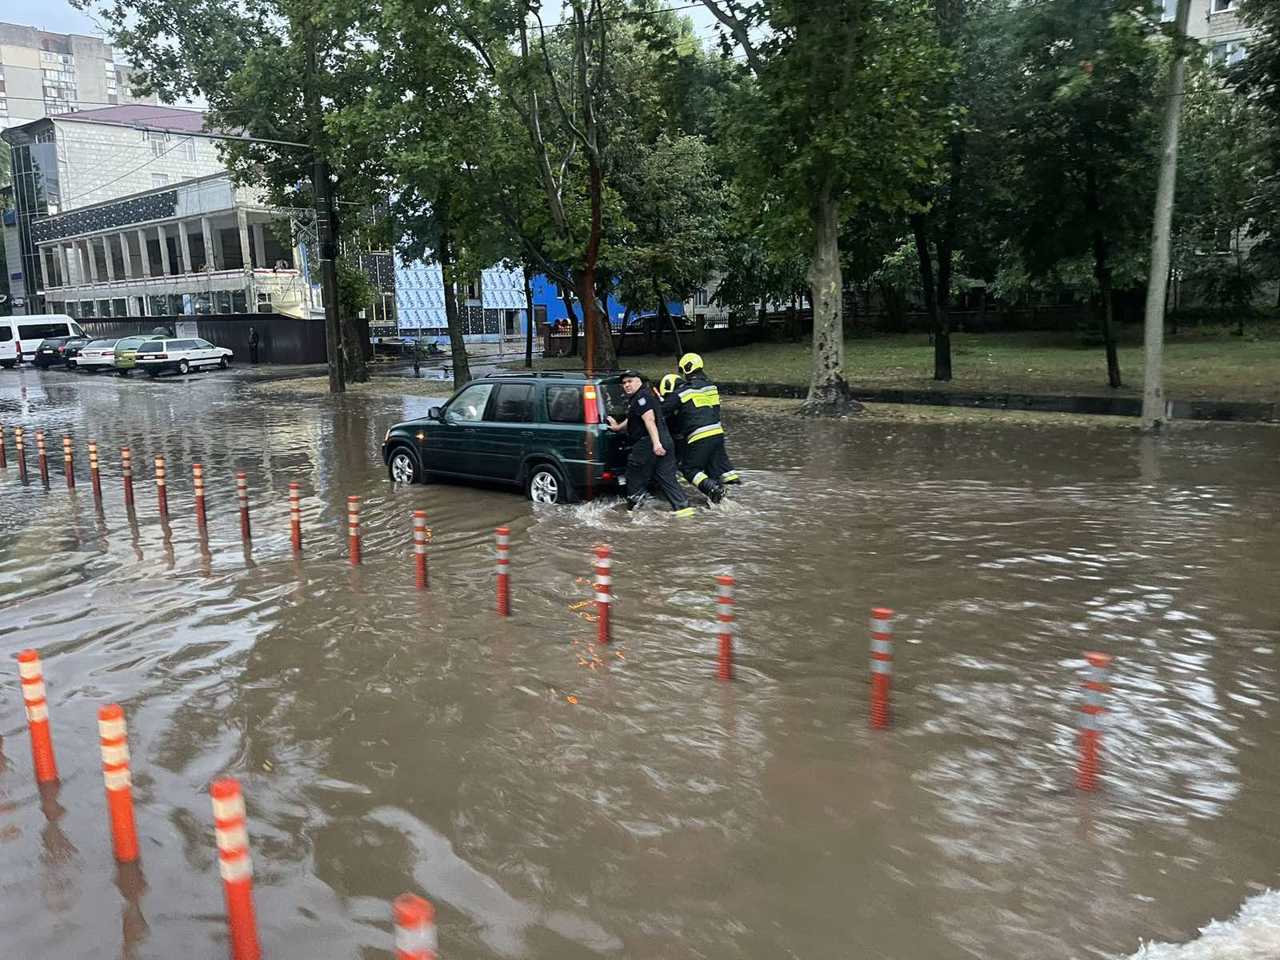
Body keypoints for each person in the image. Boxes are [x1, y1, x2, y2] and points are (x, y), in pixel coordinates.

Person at [606, 370, 694, 517]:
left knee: (633, 476)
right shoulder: (645, 396)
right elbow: (635, 418)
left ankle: (633, 514)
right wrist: (617, 427)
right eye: (624, 383)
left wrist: (656, 444)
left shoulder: (641, 398)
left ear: (639, 381)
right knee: (666, 478)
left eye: (630, 381)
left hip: (648, 443)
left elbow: (649, 420)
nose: (626, 385)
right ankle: (684, 510)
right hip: (666, 441)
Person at [669, 352, 739, 499]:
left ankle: (713, 490)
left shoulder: (685, 391)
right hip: (717, 432)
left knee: (689, 469)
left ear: (687, 369)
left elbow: (665, 410)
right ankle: (725, 497)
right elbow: (714, 410)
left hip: (700, 435)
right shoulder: (711, 387)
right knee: (717, 469)